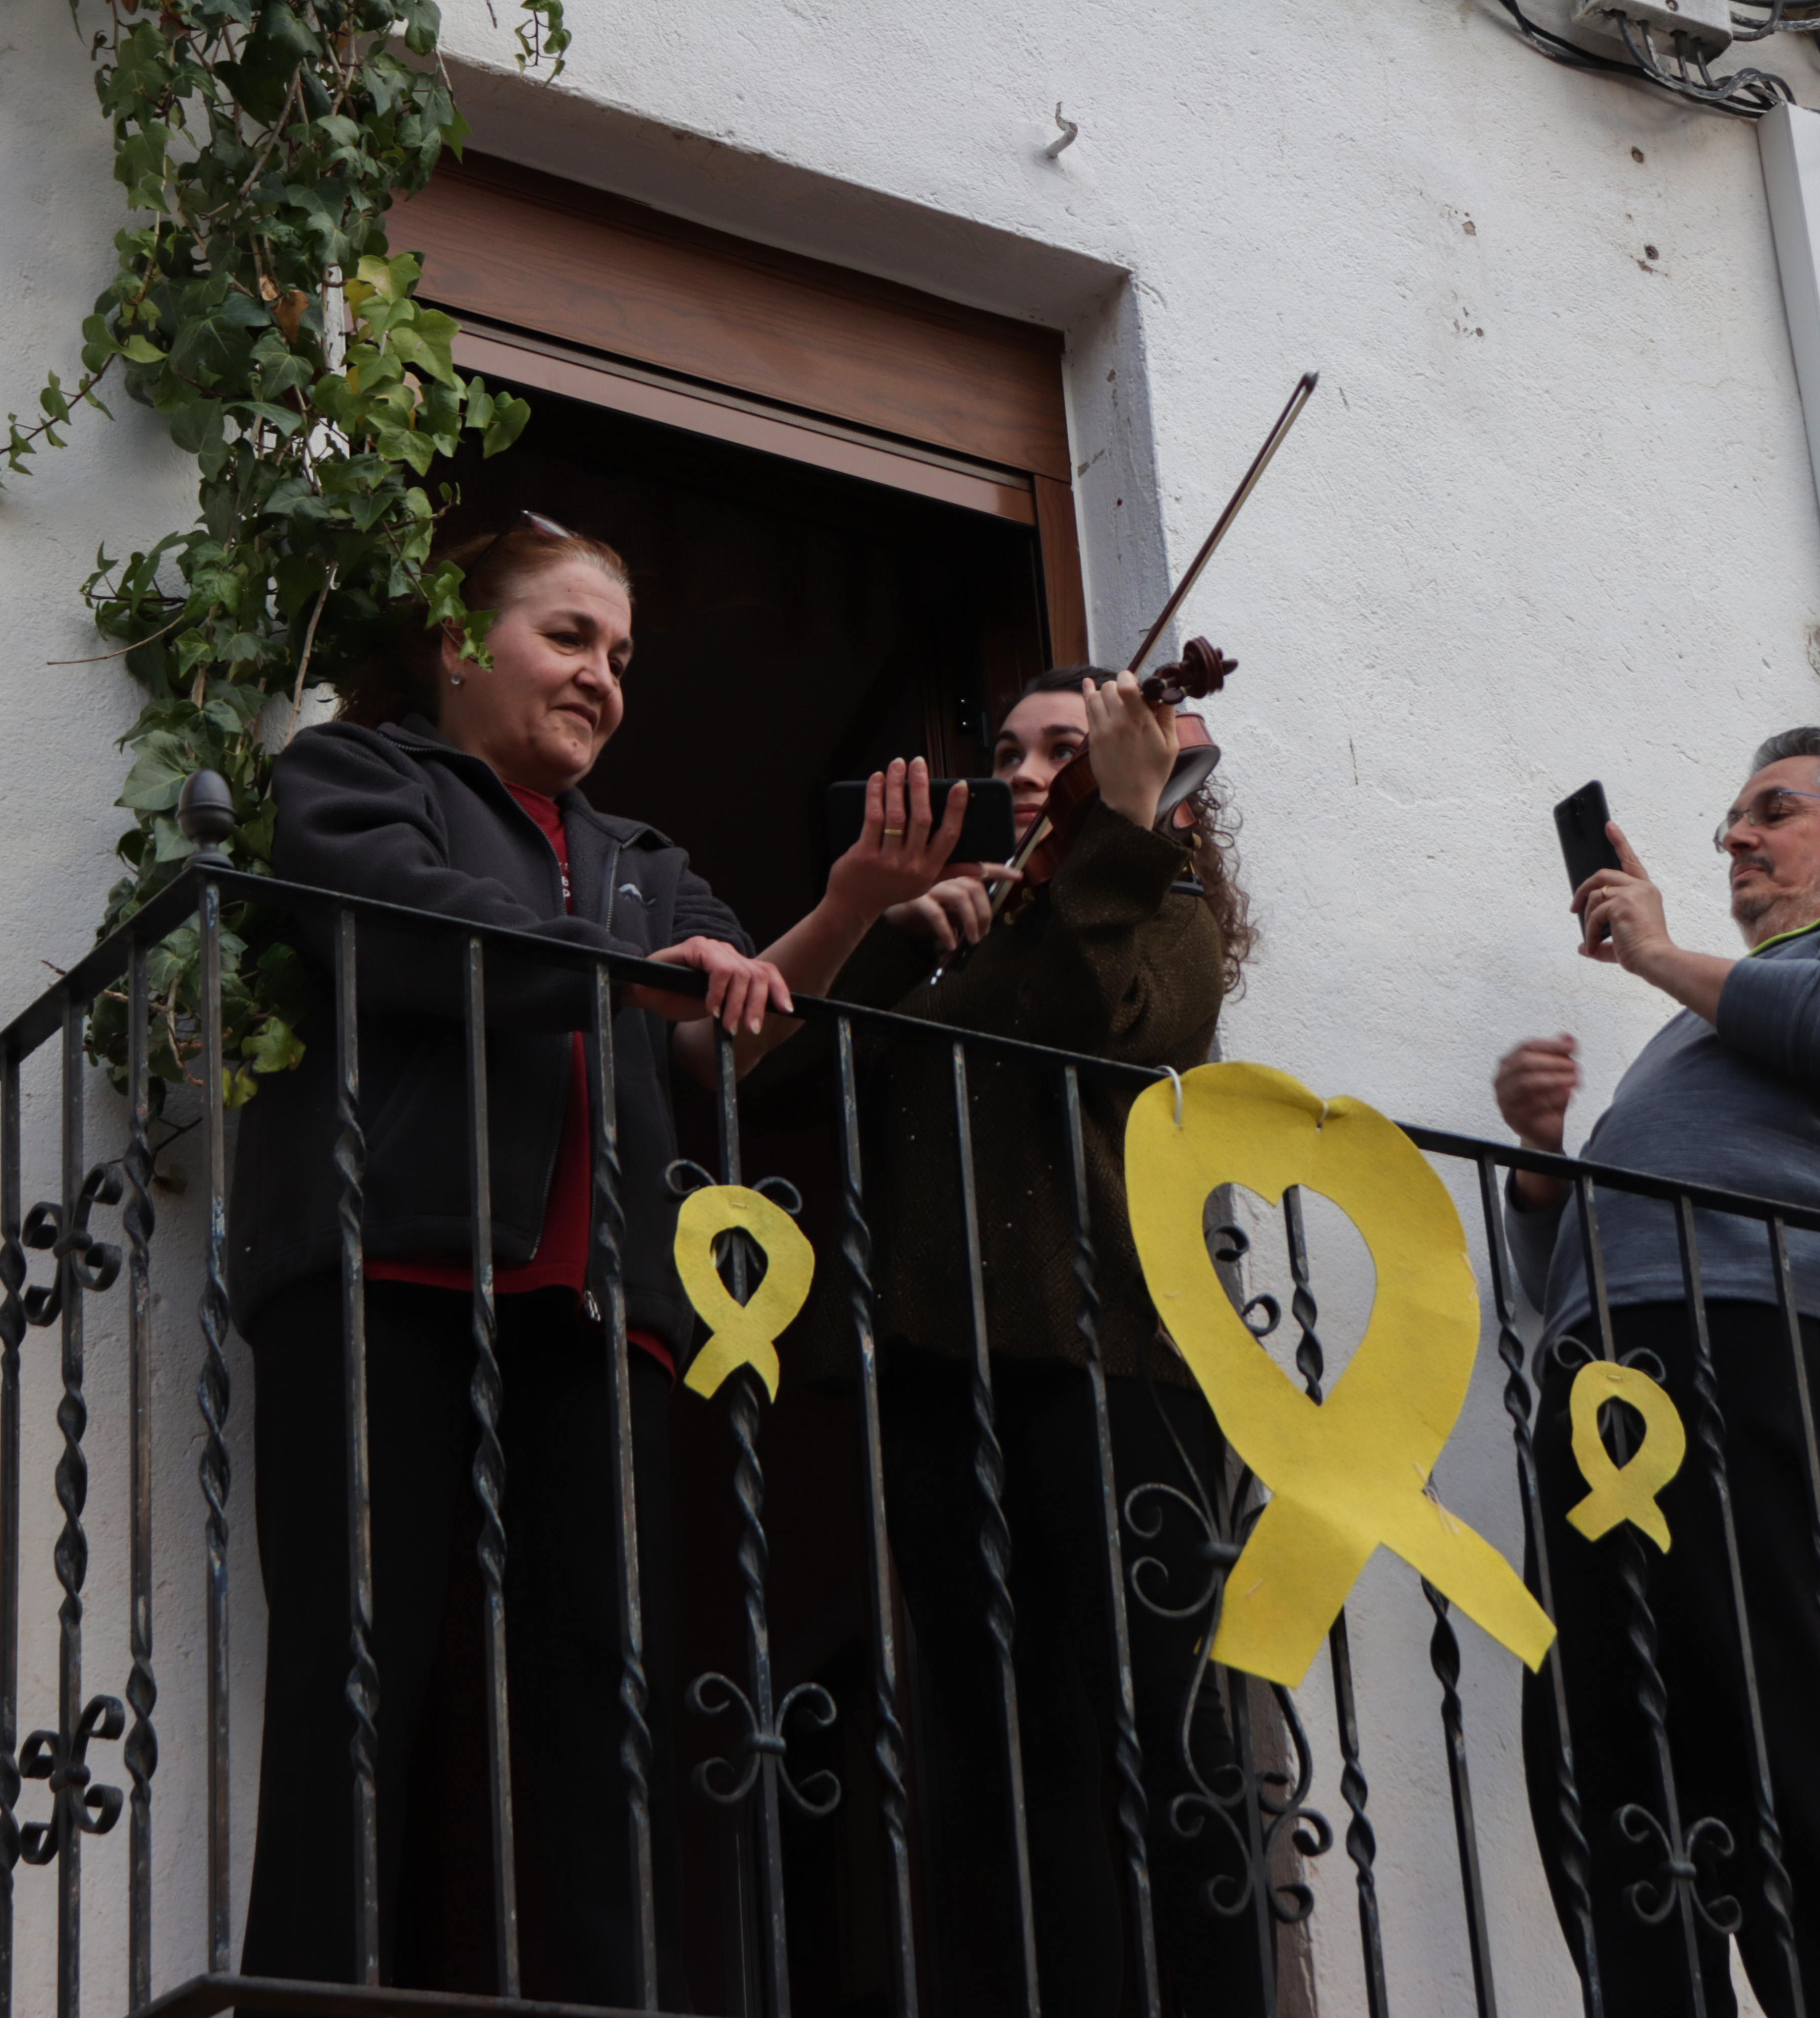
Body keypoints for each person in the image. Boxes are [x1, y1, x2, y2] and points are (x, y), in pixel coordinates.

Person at [225, 512, 973, 2005]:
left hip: (598, 1308)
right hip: (392, 1271)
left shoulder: (644, 856)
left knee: (605, 1692)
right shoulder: (354, 775)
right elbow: (407, 932)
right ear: (459, 644)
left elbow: (726, 1034)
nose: (604, 679)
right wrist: (632, 971)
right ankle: (303, 1990)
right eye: (571, 638)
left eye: (620, 656)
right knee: (354, 1672)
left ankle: (624, 1998)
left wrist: (845, 908)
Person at [768, 660, 1261, 2015]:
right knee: (985, 1736)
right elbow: (789, 1075)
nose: (1033, 773)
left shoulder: (1163, 912)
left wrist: (1123, 836)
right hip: (942, 1370)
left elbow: (1099, 1028)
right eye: (1018, 751)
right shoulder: (964, 933)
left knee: (1156, 1722)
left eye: (1071, 751)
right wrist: (891, 935)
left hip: (1117, 1370)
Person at [1491, 726, 1820, 2018]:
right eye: (1731, 820)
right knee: (1596, 1730)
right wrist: (1546, 1162)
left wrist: (1654, 952)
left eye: (1771, 810)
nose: (1735, 838)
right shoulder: (1708, 1024)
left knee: (1764, 1706)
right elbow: (1557, 1278)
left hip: (1753, 1341)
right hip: (1610, 1372)